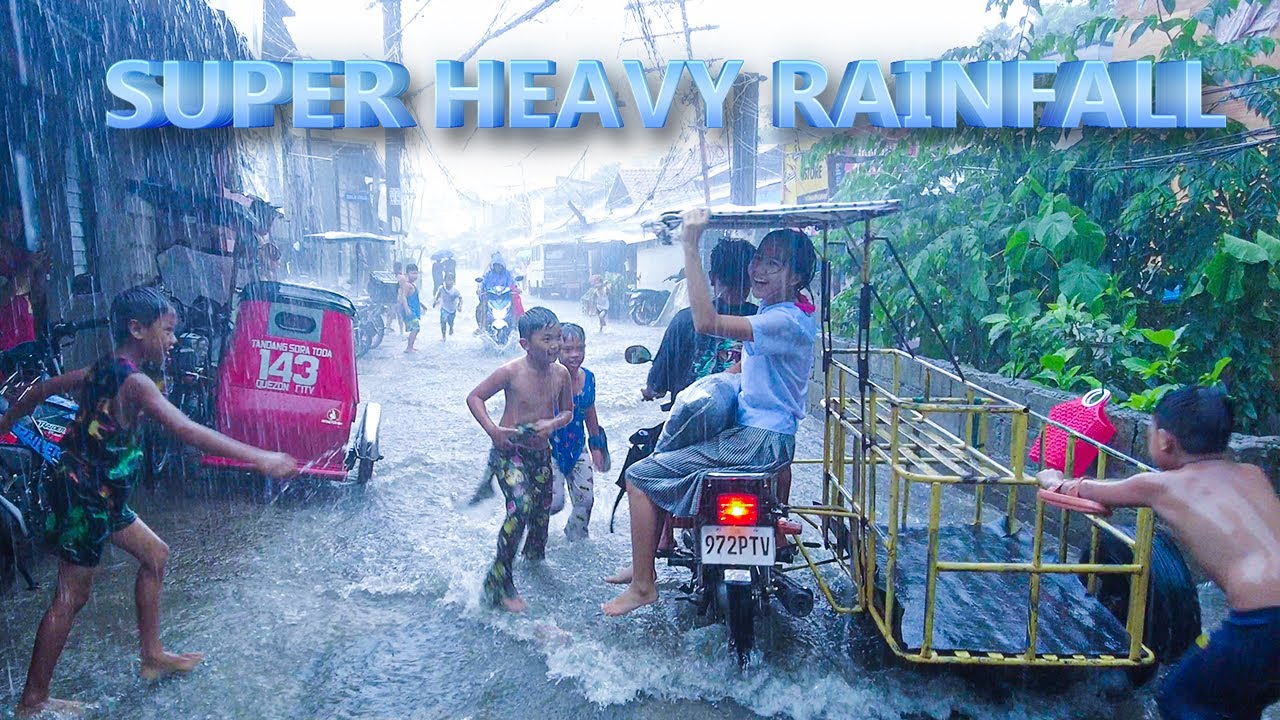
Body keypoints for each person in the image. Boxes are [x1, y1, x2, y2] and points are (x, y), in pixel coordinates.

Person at [4, 286, 299, 718]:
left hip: (97, 492)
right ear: (137, 329)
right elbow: (189, 431)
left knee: (155, 555)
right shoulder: (136, 382)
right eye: (168, 330)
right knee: (70, 596)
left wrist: (5, 422)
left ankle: (152, 656)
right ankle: (32, 701)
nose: (174, 340)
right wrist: (261, 458)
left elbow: (38, 390)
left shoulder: (105, 369)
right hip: (89, 500)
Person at [603, 209, 818, 616]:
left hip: (757, 443)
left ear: (795, 278)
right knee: (670, 458)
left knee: (640, 475)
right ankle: (646, 559)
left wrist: (689, 244)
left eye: (775, 263)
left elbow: (705, 321)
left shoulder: (779, 320)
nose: (761, 269)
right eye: (760, 258)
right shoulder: (788, 314)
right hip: (764, 439)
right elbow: (747, 368)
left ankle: (644, 584)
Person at [1037, 386, 1279, 720]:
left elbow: (1087, 491)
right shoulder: (1254, 475)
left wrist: (1053, 479)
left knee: (1178, 696)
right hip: (1265, 623)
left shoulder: (1162, 485)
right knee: (1238, 698)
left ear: (1165, 440)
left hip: (1263, 621)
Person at [466, 307, 573, 612]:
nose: (555, 345)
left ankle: (534, 561)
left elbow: (568, 411)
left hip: (540, 452)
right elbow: (475, 397)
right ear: (525, 343)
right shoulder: (511, 372)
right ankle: (499, 582)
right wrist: (493, 431)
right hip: (509, 450)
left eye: (558, 337)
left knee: (540, 514)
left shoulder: (561, 373)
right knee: (520, 509)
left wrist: (551, 424)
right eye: (547, 339)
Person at [643, 238, 757, 403]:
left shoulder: (684, 320)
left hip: (689, 419)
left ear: (711, 277)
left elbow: (657, 386)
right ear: (752, 277)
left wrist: (651, 389)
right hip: (745, 422)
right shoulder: (764, 320)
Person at [548, 323, 607, 540]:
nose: (575, 355)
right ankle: (535, 534)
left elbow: (590, 412)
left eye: (580, 348)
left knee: (586, 500)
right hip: (549, 449)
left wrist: (597, 447)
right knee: (554, 503)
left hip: (577, 447)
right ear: (556, 350)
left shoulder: (588, 378)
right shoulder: (546, 378)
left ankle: (575, 538)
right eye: (568, 349)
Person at [0, 204, 46, 351]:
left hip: (24, 331)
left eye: (19, 220)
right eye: (10, 220)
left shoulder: (20, 255)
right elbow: (4, 295)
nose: (16, 226)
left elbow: (36, 297)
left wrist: (41, 270)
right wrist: (28, 268)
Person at [433, 272, 463, 341]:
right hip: (444, 307)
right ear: (444, 280)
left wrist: (459, 306)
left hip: (452, 309)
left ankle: (451, 327)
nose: (449, 282)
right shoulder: (442, 288)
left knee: (450, 322)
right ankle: (443, 336)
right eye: (447, 279)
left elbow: (460, 298)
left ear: (453, 281)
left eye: (451, 280)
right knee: (443, 320)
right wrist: (435, 301)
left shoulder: (455, 291)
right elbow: (438, 295)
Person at [399, 263, 422, 354]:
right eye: (413, 273)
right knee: (415, 327)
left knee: (415, 328)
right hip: (409, 309)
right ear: (407, 274)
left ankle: (410, 346)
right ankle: (409, 347)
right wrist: (407, 309)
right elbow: (403, 297)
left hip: (413, 308)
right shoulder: (407, 285)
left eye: (416, 273)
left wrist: (422, 305)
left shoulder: (412, 285)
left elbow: (414, 297)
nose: (415, 275)